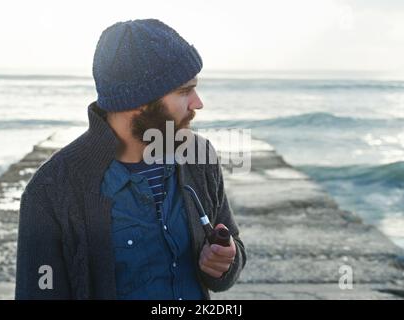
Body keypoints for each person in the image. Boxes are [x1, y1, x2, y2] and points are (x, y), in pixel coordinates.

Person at [15, 18, 246, 300]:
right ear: (138, 100)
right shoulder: (51, 190)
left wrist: (224, 261)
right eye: (185, 90)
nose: (198, 103)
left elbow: (231, 251)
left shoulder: (199, 156)